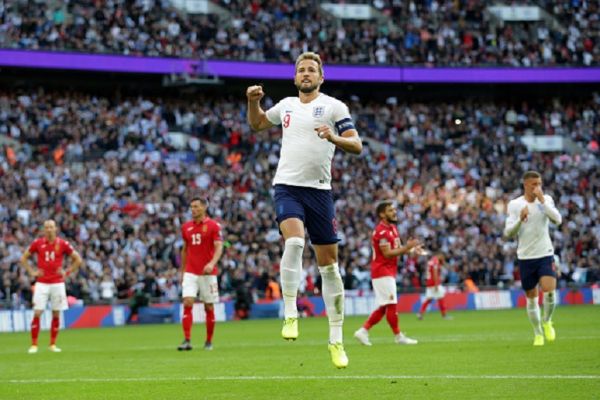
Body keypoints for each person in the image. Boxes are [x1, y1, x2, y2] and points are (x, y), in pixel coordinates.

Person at [246, 51, 362, 368]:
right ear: (295, 77)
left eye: (312, 69)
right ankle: (290, 312)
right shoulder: (286, 105)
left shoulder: (335, 107)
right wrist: (253, 101)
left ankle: (336, 341)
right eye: (301, 69)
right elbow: (256, 124)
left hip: (320, 192)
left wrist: (333, 136)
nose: (306, 73)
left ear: (320, 77)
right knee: (295, 241)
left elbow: (357, 145)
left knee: (330, 267)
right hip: (287, 186)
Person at [504, 171, 562, 346]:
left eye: (539, 183)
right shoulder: (515, 205)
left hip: (545, 253)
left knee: (549, 290)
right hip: (525, 257)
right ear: (525, 185)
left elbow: (557, 220)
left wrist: (543, 201)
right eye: (533, 184)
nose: (537, 187)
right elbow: (508, 233)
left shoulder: (547, 200)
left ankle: (547, 321)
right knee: (531, 297)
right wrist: (520, 220)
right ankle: (537, 333)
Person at [354, 201, 421, 346]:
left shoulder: (392, 228)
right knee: (391, 305)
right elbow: (388, 253)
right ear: (382, 214)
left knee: (384, 307)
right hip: (382, 272)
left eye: (394, 210)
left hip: (388, 271)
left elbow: (397, 249)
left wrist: (411, 249)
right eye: (390, 210)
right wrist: (406, 248)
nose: (394, 212)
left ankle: (363, 331)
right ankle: (398, 336)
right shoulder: (381, 232)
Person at [20, 219, 82, 353]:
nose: (49, 229)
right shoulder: (37, 243)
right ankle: (34, 345)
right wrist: (32, 272)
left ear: (55, 229)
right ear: (43, 229)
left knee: (56, 314)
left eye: (51, 227)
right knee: (37, 312)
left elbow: (78, 259)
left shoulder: (63, 244)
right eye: (46, 227)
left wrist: (67, 272)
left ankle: (52, 344)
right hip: (42, 283)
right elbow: (23, 258)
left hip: (57, 283)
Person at [177, 197, 224, 351]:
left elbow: (219, 247)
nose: (193, 210)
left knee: (208, 307)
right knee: (187, 302)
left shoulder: (213, 226)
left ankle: (209, 341)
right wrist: (182, 271)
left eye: (196, 206)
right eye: (191, 207)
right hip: (191, 271)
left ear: (204, 207)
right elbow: (185, 250)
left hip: (207, 273)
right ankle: (187, 340)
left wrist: (212, 263)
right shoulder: (186, 227)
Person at [417, 253, 453, 320]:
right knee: (441, 298)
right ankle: (444, 315)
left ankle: (420, 313)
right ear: (440, 256)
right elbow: (435, 273)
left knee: (429, 299)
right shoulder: (435, 262)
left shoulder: (430, 261)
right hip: (434, 283)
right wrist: (436, 284)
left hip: (429, 283)